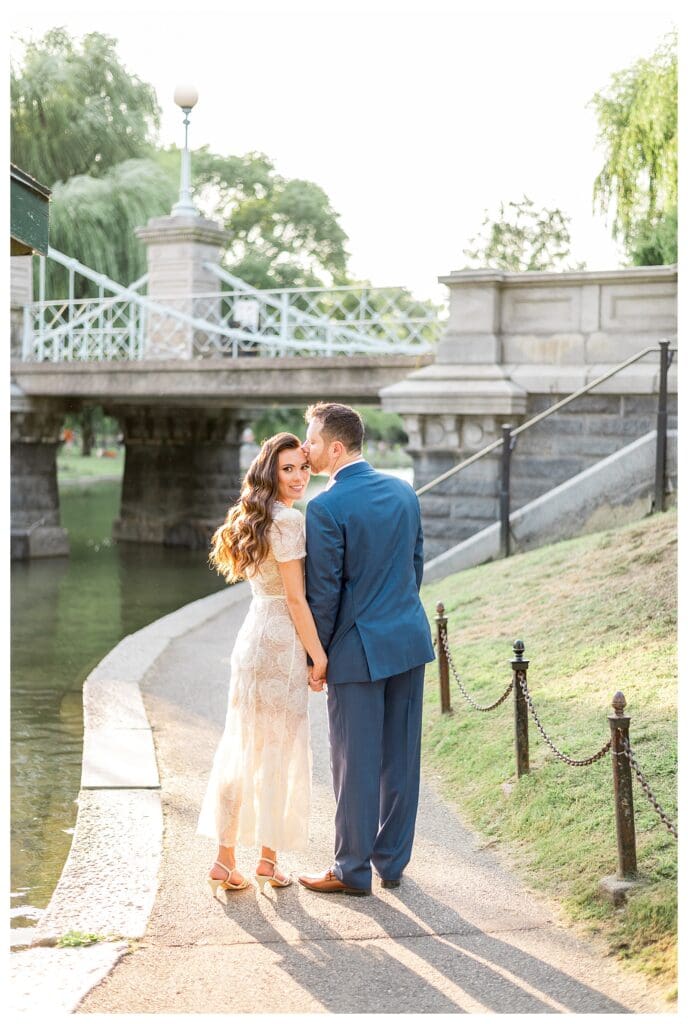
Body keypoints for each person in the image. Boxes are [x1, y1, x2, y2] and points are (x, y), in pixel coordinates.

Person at [298, 403, 435, 896]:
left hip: (356, 649)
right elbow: (415, 565)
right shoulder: (403, 492)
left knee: (353, 762)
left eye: (311, 441)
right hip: (407, 639)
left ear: (335, 448)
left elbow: (324, 592)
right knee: (400, 757)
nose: (305, 449)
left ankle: (351, 870)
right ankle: (392, 862)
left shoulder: (326, 507)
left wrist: (318, 657)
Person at [197, 433, 327, 897]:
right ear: (270, 471)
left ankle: (224, 860)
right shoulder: (289, 521)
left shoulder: (250, 516)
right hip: (281, 644)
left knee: (243, 744)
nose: (298, 478)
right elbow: (295, 598)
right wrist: (318, 655)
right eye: (288, 469)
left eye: (303, 468)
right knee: (278, 749)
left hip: (251, 635)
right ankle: (268, 862)